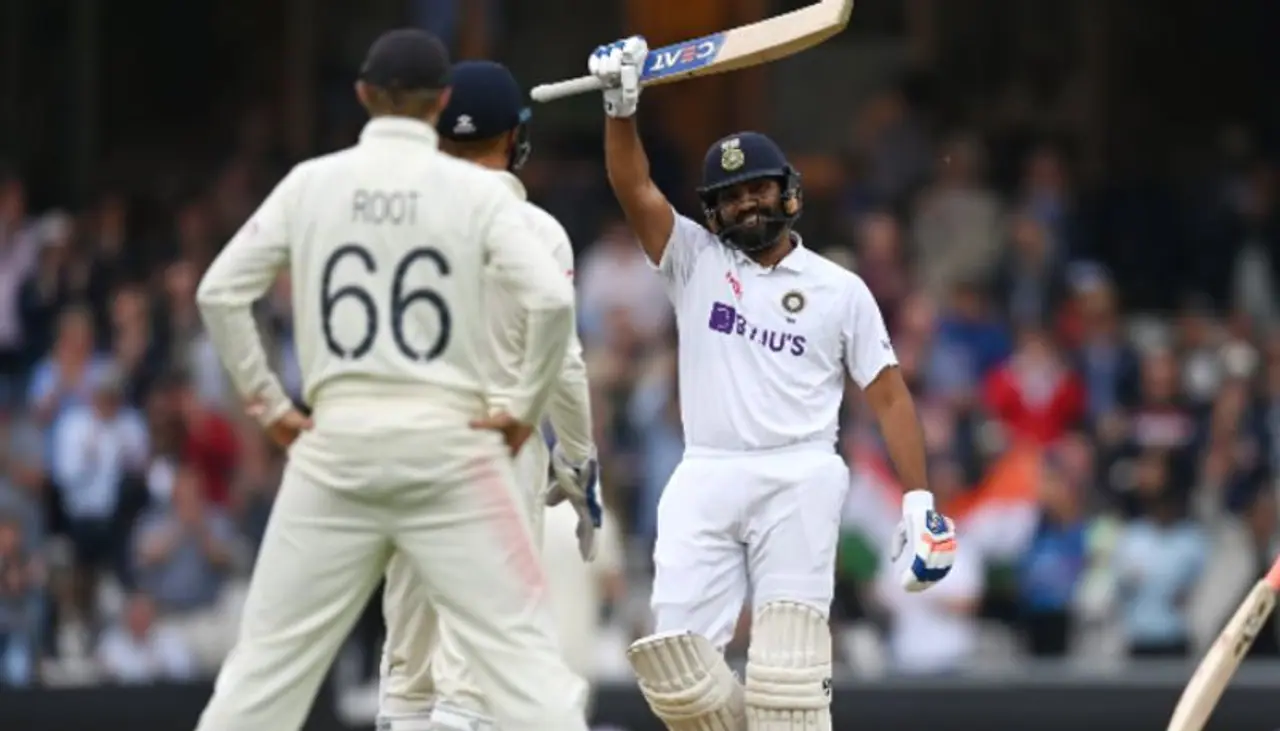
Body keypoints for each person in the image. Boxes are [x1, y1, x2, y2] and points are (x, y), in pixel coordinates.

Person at [191, 29, 588, 731]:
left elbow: (219, 292)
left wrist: (272, 406)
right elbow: (554, 308)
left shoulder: (312, 184)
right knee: (520, 678)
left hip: (336, 444)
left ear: (363, 95)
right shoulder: (478, 199)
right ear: (437, 102)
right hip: (451, 444)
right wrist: (527, 412)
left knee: (265, 675)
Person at [586, 37, 959, 731]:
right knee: (678, 674)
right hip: (707, 469)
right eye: (731, 197)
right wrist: (619, 107)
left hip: (800, 474)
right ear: (713, 210)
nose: (747, 204)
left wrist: (918, 501)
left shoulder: (839, 289)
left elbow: (888, 395)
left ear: (787, 191)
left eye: (758, 188)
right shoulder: (693, 259)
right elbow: (633, 187)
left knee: (788, 683)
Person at [376, 59, 601, 731]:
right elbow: (562, 367)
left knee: (409, 676)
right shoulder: (539, 234)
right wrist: (579, 462)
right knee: (466, 684)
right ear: (515, 139)